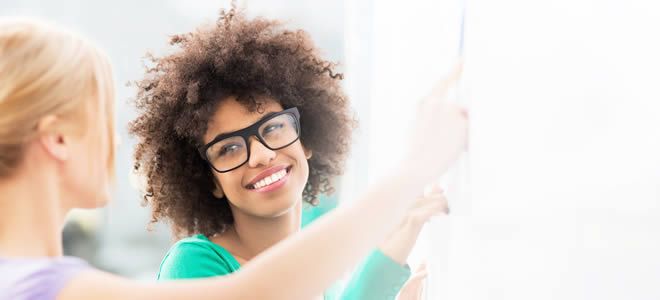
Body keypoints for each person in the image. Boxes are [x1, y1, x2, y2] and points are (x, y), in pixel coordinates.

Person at [0, 16, 467, 300]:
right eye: (102, 117)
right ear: (57, 139)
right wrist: (412, 170)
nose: (117, 143)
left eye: (274, 128)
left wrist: (399, 235)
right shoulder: (43, 288)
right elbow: (254, 294)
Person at [129, 7, 449, 300]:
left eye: (272, 128)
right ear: (208, 178)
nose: (261, 155)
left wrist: (404, 232)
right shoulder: (192, 267)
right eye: (228, 148)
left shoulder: (319, 275)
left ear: (305, 138)